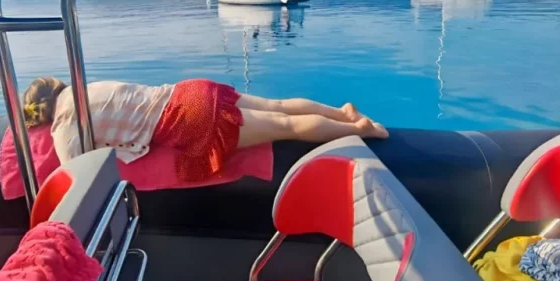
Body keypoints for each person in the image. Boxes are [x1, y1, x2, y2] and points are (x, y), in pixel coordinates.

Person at [22, 77, 388, 183]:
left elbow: (77, 174)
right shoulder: (85, 86)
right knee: (278, 106)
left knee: (286, 127)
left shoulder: (63, 125)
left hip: (190, 119)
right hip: (189, 90)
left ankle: (362, 130)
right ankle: (342, 113)